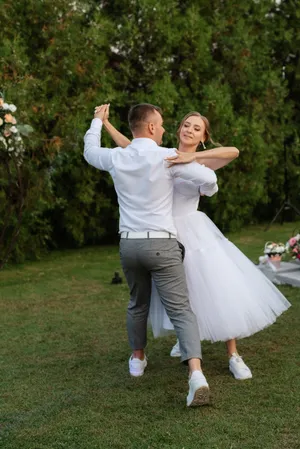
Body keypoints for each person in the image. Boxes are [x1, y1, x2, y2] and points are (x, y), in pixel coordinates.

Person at [101, 108, 291, 381]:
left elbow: (234, 151)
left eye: (197, 128)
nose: (190, 130)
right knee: (181, 295)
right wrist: (106, 123)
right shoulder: (161, 155)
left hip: (195, 232)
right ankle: (187, 340)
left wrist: (194, 157)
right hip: (164, 234)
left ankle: (233, 354)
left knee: (216, 290)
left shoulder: (203, 162)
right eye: (186, 125)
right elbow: (130, 147)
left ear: (203, 137)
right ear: (177, 129)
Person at [84, 103, 218, 407]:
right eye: (161, 124)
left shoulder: (118, 157)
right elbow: (209, 182)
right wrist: (191, 160)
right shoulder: (166, 157)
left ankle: (137, 359)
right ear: (152, 128)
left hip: (129, 246)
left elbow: (90, 152)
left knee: (137, 303)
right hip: (162, 245)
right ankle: (196, 375)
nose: (165, 129)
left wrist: (97, 122)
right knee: (181, 310)